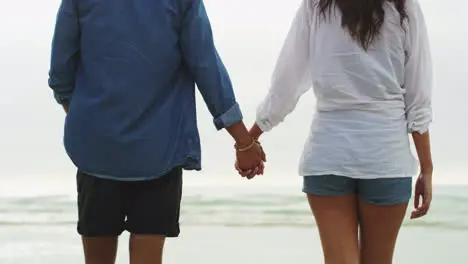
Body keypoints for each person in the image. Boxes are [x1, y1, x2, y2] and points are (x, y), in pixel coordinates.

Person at [48, 0, 265, 263]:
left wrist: (85, 117)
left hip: (97, 148)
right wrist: (243, 140)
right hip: (159, 148)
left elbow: (61, 67)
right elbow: (205, 64)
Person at [243, 0, 433, 263]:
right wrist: (426, 168)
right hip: (386, 158)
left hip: (328, 155)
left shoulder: (316, 6)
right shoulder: (403, 6)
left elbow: (286, 83)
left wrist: (249, 140)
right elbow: (418, 95)